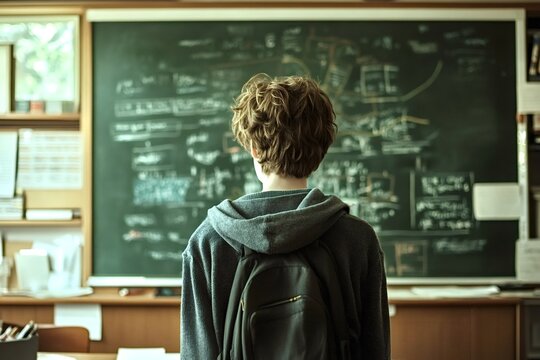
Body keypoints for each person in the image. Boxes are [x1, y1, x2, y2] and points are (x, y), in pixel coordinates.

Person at [180, 73, 390, 359]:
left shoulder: (208, 241)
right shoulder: (357, 239)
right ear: (320, 152)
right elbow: (374, 350)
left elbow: (198, 355)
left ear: (253, 148)